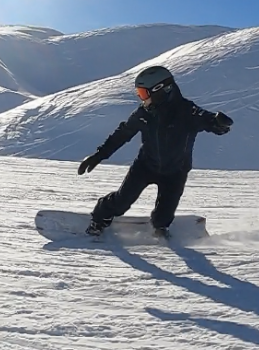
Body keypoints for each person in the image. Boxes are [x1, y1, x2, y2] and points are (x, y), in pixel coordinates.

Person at [76, 65, 233, 237]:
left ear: (160, 90)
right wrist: (98, 155)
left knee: (162, 218)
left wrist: (220, 124)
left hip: (176, 171)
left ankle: (160, 227)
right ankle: (100, 218)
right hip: (145, 166)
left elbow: (209, 121)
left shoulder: (188, 112)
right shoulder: (144, 113)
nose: (141, 99)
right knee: (121, 202)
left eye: (143, 93)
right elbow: (122, 134)